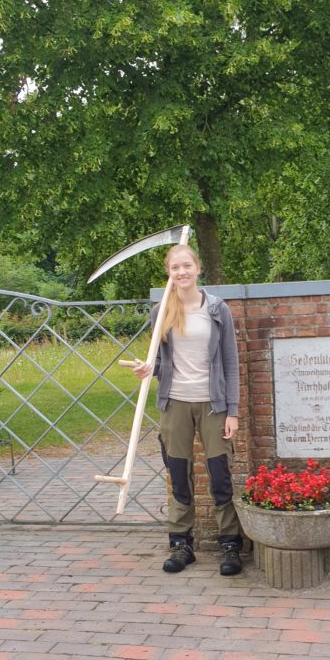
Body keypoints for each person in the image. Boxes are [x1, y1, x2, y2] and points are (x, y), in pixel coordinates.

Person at [131, 243, 243, 576]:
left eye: (186, 265)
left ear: (197, 268)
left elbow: (230, 362)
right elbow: (161, 364)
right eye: (174, 267)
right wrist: (149, 369)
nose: (181, 272)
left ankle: (230, 545)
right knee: (178, 473)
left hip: (213, 404)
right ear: (169, 273)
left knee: (220, 474)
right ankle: (181, 544)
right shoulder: (161, 311)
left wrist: (232, 411)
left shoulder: (217, 309)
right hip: (175, 404)